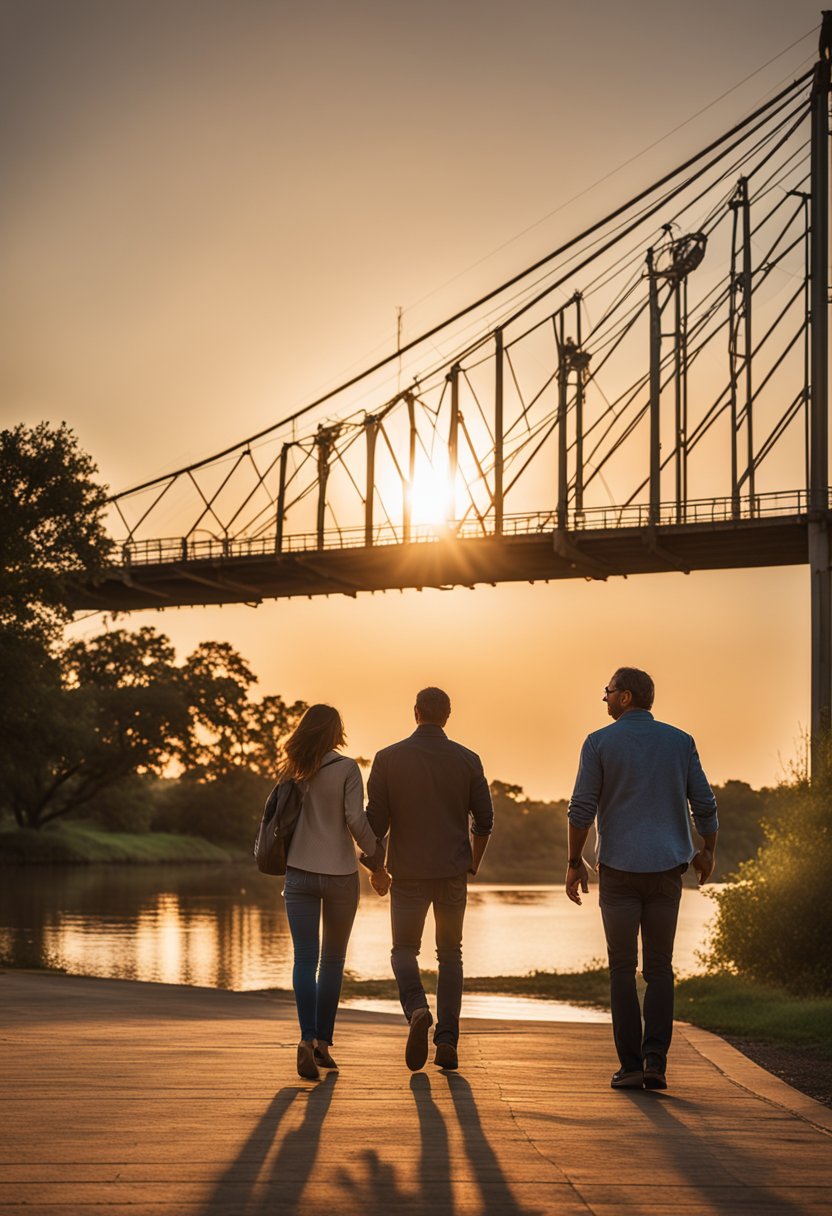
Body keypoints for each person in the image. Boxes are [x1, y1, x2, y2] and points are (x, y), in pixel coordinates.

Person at [566, 667, 718, 1091]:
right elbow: (704, 804)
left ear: (626, 697)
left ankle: (630, 1066)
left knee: (621, 968)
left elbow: (581, 809)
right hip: (667, 871)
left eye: (609, 692)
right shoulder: (680, 741)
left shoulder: (598, 743)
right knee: (659, 968)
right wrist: (708, 851)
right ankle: (655, 1061)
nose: (605, 698)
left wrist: (574, 861)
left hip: (618, 872)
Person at [364, 687, 493, 1073]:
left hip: (408, 874)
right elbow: (484, 822)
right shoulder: (468, 759)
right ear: (447, 716)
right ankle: (448, 1041)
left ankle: (418, 1008)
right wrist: (473, 863)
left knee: (403, 950)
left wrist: (376, 868)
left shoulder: (388, 759)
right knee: (450, 955)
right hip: (453, 872)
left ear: (416, 712)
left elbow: (376, 824)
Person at [281, 703, 382, 1082]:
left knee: (304, 960)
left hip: (298, 874)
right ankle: (323, 1043)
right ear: (337, 731)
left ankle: (306, 1040)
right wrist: (376, 855)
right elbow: (356, 819)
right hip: (340, 874)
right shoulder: (346, 768)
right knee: (333, 961)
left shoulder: (293, 768)